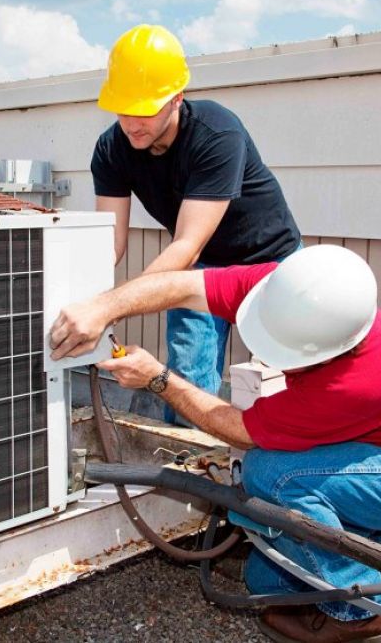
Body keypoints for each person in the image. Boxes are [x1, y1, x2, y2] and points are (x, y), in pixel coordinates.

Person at [50, 245, 381, 643]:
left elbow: (241, 431)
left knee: (271, 475)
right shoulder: (286, 290)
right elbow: (182, 286)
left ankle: (358, 615)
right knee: (263, 579)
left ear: (332, 353)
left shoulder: (360, 382)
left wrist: (158, 378)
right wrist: (103, 307)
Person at [92, 24, 301, 424]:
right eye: (123, 109)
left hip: (272, 263)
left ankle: (283, 472)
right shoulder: (111, 149)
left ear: (176, 99)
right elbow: (110, 243)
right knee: (185, 379)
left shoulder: (217, 133)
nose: (133, 122)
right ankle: (190, 474)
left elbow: (187, 244)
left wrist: (110, 307)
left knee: (293, 375)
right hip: (202, 268)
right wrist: (84, 298)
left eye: (147, 108)